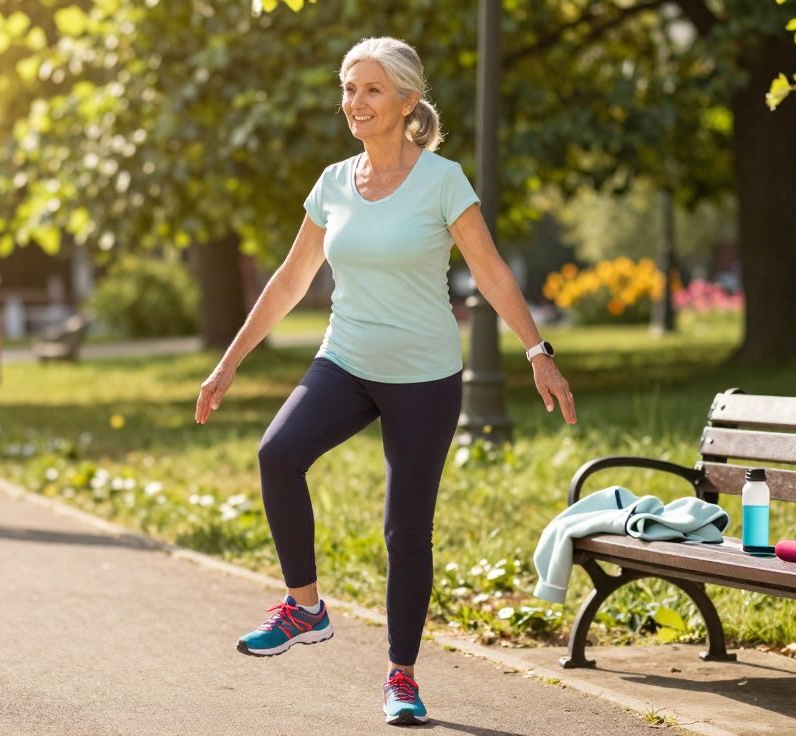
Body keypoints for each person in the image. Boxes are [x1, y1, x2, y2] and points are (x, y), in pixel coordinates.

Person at [194, 37, 577, 726]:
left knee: (405, 531)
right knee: (278, 453)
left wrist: (535, 351)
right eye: (348, 88)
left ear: (406, 101)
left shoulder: (442, 181)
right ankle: (305, 608)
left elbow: (490, 272)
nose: (356, 102)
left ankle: (401, 676)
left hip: (424, 376)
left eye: (371, 89)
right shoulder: (334, 182)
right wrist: (229, 362)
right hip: (345, 360)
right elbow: (290, 280)